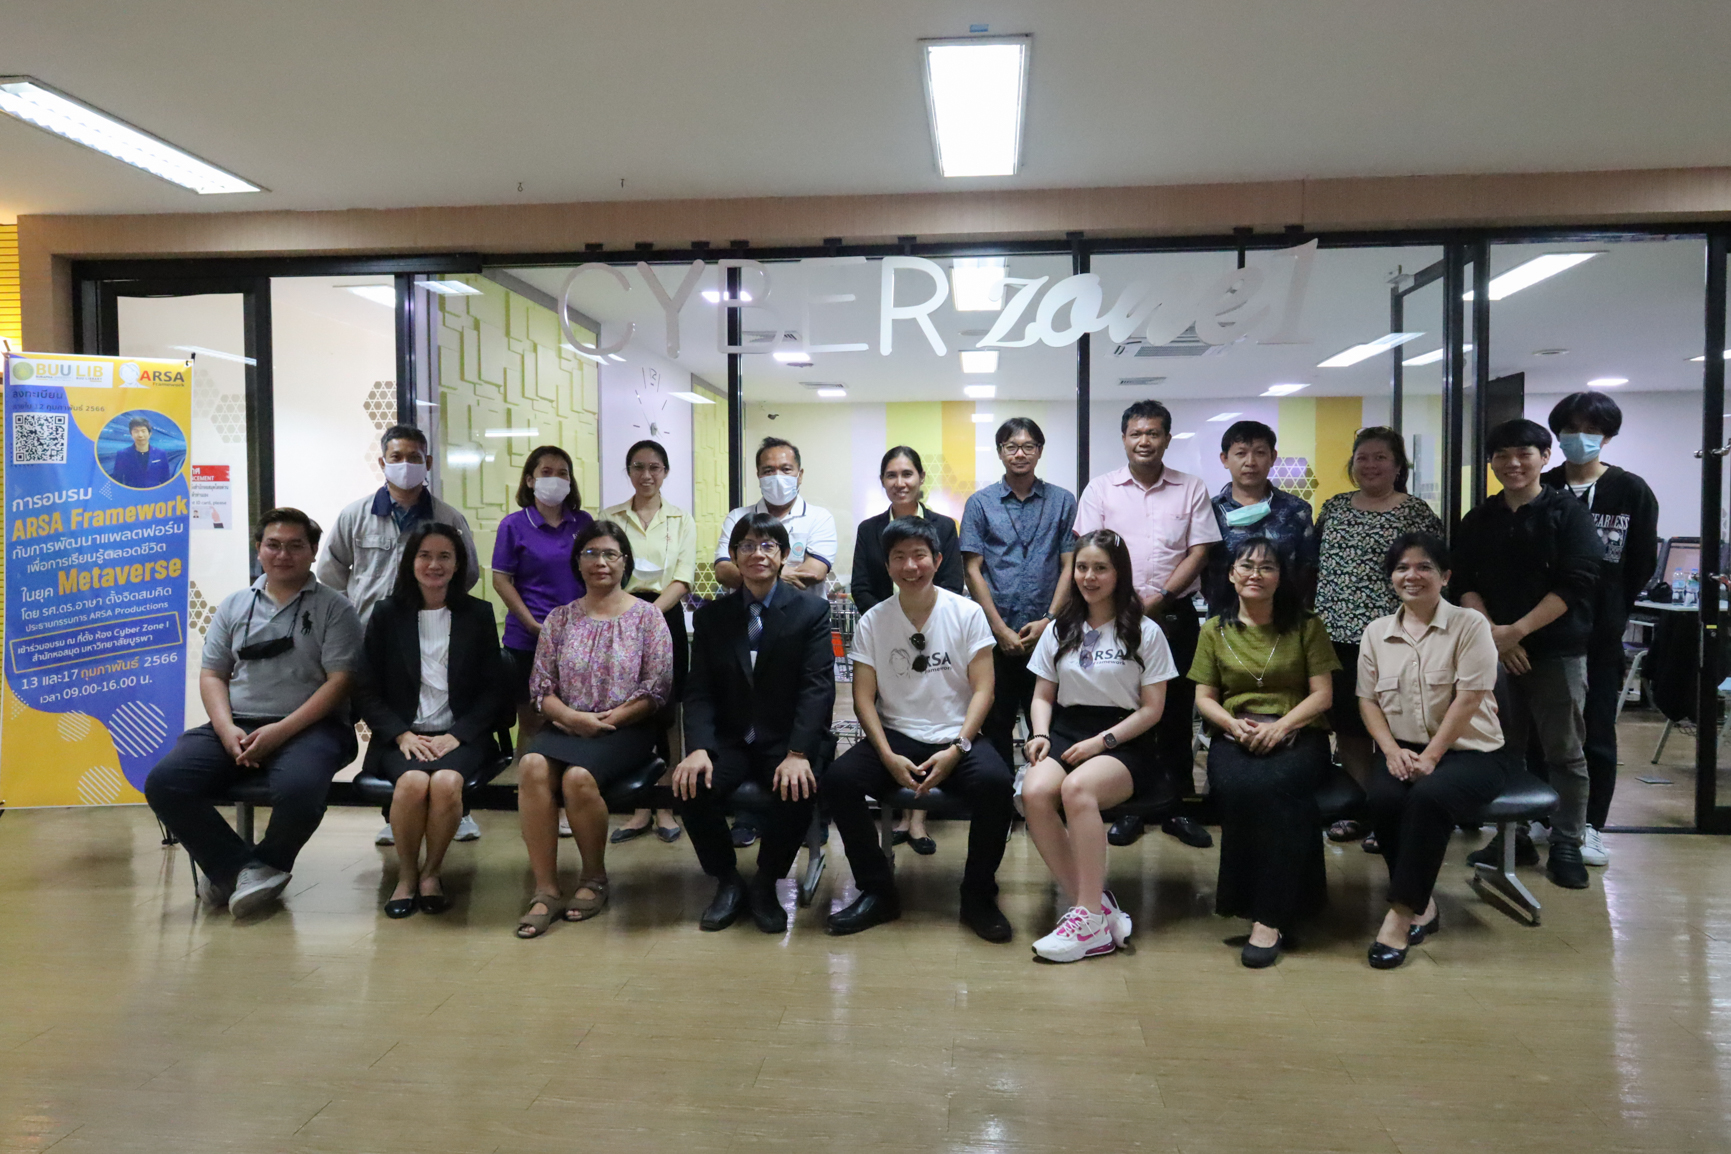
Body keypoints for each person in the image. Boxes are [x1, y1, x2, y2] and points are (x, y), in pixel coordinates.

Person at [145, 509, 363, 919]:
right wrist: (226, 729)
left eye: (295, 546)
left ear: (313, 551)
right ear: (258, 549)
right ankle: (237, 868)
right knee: (165, 782)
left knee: (300, 788)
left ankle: (264, 863)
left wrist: (280, 731)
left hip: (312, 727)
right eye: (273, 545)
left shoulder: (336, 609)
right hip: (238, 722)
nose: (283, 555)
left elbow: (341, 682)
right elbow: (213, 674)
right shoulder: (235, 605)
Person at [821, 517, 1016, 941]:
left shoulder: (967, 613)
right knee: (839, 780)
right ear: (887, 566)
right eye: (899, 557)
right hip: (896, 735)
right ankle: (878, 891)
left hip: (957, 734)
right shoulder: (874, 621)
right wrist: (886, 755)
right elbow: (863, 698)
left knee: (997, 783)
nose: (911, 566)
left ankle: (978, 894)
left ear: (938, 560)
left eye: (919, 556)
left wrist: (959, 747)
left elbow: (984, 689)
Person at [1454, 419, 1603, 891]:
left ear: (1544, 457)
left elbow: (1577, 582)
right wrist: (1494, 636)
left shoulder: (1568, 513)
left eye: (1524, 453)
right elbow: (1462, 582)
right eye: (1502, 455)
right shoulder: (1480, 518)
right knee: (1502, 748)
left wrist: (1516, 633)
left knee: (1564, 751)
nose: (1512, 463)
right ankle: (1511, 838)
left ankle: (1567, 842)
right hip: (1494, 652)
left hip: (1556, 652)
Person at [672, 513, 837, 933]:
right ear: (734, 556)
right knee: (691, 786)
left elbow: (817, 688)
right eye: (746, 546)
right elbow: (699, 690)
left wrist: (798, 752)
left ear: (783, 556)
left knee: (799, 786)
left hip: (785, 739)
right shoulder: (712, 617)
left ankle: (766, 881)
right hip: (730, 739)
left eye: (767, 546)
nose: (757, 554)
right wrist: (698, 748)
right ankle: (727, 880)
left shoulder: (811, 611)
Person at [319, 425, 483, 846]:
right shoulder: (355, 516)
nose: (405, 465)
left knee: (446, 706)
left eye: (414, 457)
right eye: (397, 457)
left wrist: (437, 604)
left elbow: (468, 572)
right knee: (392, 718)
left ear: (428, 462)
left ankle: (459, 810)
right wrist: (353, 619)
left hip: (434, 627)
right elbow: (330, 574)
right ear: (382, 462)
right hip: (374, 637)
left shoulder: (447, 517)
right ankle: (395, 815)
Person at [1023, 530, 1177, 963]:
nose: (1089, 577)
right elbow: (1042, 696)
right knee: (1034, 792)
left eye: (1100, 568)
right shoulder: (1060, 628)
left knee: (1078, 790)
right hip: (1067, 730)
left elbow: (1153, 710)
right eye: (1082, 567)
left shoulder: (1145, 631)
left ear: (1119, 574)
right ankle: (1093, 908)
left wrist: (1101, 742)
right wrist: (1040, 734)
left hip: (1125, 738)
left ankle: (1089, 919)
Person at [515, 521, 673, 937]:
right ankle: (546, 888)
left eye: (610, 554)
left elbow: (656, 689)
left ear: (625, 562)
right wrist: (572, 719)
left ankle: (594, 878)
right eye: (590, 553)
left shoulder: (648, 618)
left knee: (578, 778)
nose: (600, 562)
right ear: (578, 562)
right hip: (568, 724)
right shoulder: (560, 619)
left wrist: (606, 721)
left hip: (627, 729)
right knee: (531, 765)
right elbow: (541, 688)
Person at [1074, 400, 1220, 850]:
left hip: (1175, 616)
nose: (1144, 441)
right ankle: (1129, 808)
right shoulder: (1101, 489)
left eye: (1153, 433)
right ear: (1123, 439)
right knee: (1126, 710)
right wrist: (1123, 603)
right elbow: (1089, 548)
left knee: (1175, 712)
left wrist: (1161, 598)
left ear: (1167, 439)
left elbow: (1200, 551)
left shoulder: (1191, 487)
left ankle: (1177, 805)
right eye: (1136, 433)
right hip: (1114, 618)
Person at [1359, 532, 1508, 969]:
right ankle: (1423, 902)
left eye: (1424, 567)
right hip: (1403, 749)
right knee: (1383, 796)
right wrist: (1390, 751)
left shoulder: (1469, 624)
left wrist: (1432, 757)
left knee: (1428, 796)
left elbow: (1470, 698)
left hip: (1472, 753)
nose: (1413, 575)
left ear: (1445, 577)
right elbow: (1367, 701)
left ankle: (1400, 916)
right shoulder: (1376, 633)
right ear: (1391, 578)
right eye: (1402, 568)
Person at [1189, 536, 1338, 968]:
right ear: (1231, 575)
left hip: (1299, 732)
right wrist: (1232, 725)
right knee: (1239, 790)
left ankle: (1269, 917)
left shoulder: (1307, 625)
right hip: (1235, 732)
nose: (1256, 574)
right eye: (1247, 566)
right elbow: (1204, 697)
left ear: (1280, 576)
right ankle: (1270, 900)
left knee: (1277, 788)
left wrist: (1283, 727)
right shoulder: (1214, 630)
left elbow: (1323, 695)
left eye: (1267, 567)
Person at [355, 523, 509, 918]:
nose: (434, 565)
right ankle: (406, 876)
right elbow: (366, 689)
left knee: (445, 782)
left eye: (444, 556)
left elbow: (494, 691)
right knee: (411, 784)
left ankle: (432, 874)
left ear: (458, 565)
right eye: (425, 555)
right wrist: (400, 734)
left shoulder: (478, 614)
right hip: (403, 736)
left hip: (461, 737)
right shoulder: (387, 614)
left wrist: (458, 735)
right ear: (411, 562)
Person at [1540, 392, 1660, 867]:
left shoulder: (1630, 491)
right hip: (1544, 632)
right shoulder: (1545, 487)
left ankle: (1589, 825)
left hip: (1601, 633)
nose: (1579, 438)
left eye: (1591, 430)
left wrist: (1609, 608)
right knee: (1541, 731)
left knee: (1595, 731)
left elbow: (1641, 563)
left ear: (1607, 436)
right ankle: (1544, 817)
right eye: (1570, 429)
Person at [1313, 427, 1443, 848]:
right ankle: (1361, 811)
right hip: (1335, 638)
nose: (1370, 465)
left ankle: (1395, 814)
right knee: (1350, 729)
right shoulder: (1334, 507)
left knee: (1396, 728)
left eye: (1380, 457)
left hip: (1395, 639)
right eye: (1362, 457)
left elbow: (1432, 575)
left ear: (1398, 465)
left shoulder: (1416, 513)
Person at [853, 445, 964, 855]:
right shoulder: (869, 529)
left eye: (907, 474)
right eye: (891, 475)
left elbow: (951, 581)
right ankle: (901, 810)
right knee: (894, 716)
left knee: (928, 711)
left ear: (920, 479)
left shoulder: (943, 526)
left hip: (935, 634)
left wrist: (920, 619)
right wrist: (890, 623)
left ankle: (917, 818)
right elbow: (862, 585)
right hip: (885, 638)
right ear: (883, 481)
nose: (900, 482)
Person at [961, 418, 1076, 798]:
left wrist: (1049, 621)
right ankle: (999, 804)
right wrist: (999, 629)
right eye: (1011, 446)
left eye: (1028, 446)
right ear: (1000, 452)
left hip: (1049, 635)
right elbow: (972, 569)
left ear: (1039, 451)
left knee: (1048, 721)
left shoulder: (1063, 501)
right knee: (996, 720)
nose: (1020, 453)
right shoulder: (980, 503)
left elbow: (1069, 565)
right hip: (993, 635)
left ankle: (1041, 798)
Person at [603, 439, 697, 845]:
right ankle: (638, 806)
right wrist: (630, 615)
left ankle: (665, 803)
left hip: (665, 615)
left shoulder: (681, 519)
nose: (646, 475)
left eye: (655, 467)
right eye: (638, 466)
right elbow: (603, 568)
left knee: (667, 712)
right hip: (617, 617)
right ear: (628, 471)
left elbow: (683, 576)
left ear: (665, 472)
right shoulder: (610, 518)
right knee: (630, 708)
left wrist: (649, 615)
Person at [492, 444, 595, 750]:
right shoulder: (513, 525)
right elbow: (501, 580)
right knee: (534, 721)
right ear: (529, 480)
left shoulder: (583, 523)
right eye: (546, 472)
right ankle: (528, 778)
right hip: (528, 639)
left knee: (576, 717)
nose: (555, 479)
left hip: (578, 637)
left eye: (563, 473)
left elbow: (595, 575)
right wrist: (533, 625)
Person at [1204, 419, 1316, 614]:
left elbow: (1309, 571)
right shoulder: (1209, 511)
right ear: (1225, 459)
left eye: (1260, 453)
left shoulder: (1296, 510)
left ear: (1273, 457)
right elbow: (1201, 570)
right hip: (1224, 619)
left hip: (1284, 619)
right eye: (1241, 453)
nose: (1250, 462)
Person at [714, 437, 837, 593]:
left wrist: (756, 572)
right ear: (758, 475)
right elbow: (723, 571)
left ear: (800, 475)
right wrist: (782, 574)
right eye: (768, 471)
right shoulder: (737, 517)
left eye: (786, 469)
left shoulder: (819, 518)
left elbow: (814, 572)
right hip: (747, 608)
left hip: (802, 608)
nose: (778, 477)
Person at [110, 415, 173, 487]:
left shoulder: (160, 453)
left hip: (154, 493)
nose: (140, 435)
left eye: (143, 431)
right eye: (136, 431)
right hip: (132, 493)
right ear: (131, 434)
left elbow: (166, 480)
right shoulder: (122, 454)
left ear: (150, 434)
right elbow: (117, 481)